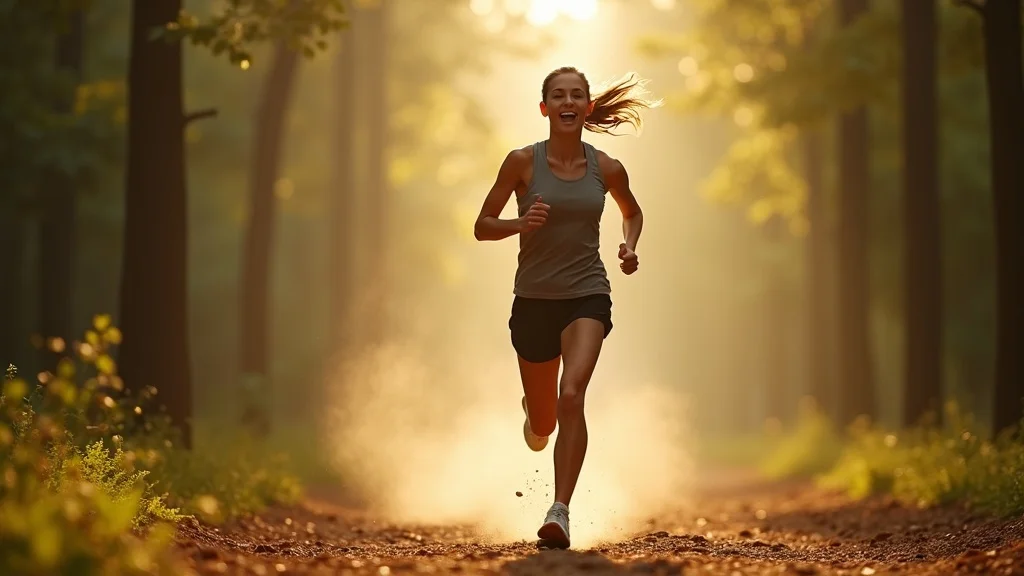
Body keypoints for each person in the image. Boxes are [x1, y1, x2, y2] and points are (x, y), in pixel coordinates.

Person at [473, 66, 657, 549]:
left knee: (572, 393)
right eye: (558, 95)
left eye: (577, 94)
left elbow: (631, 211)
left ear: (588, 107)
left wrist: (629, 246)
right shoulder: (521, 163)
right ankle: (535, 417)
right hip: (533, 300)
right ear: (545, 108)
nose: (567, 101)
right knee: (546, 420)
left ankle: (560, 511)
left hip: (587, 294)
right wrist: (519, 224)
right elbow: (482, 224)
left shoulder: (607, 167)